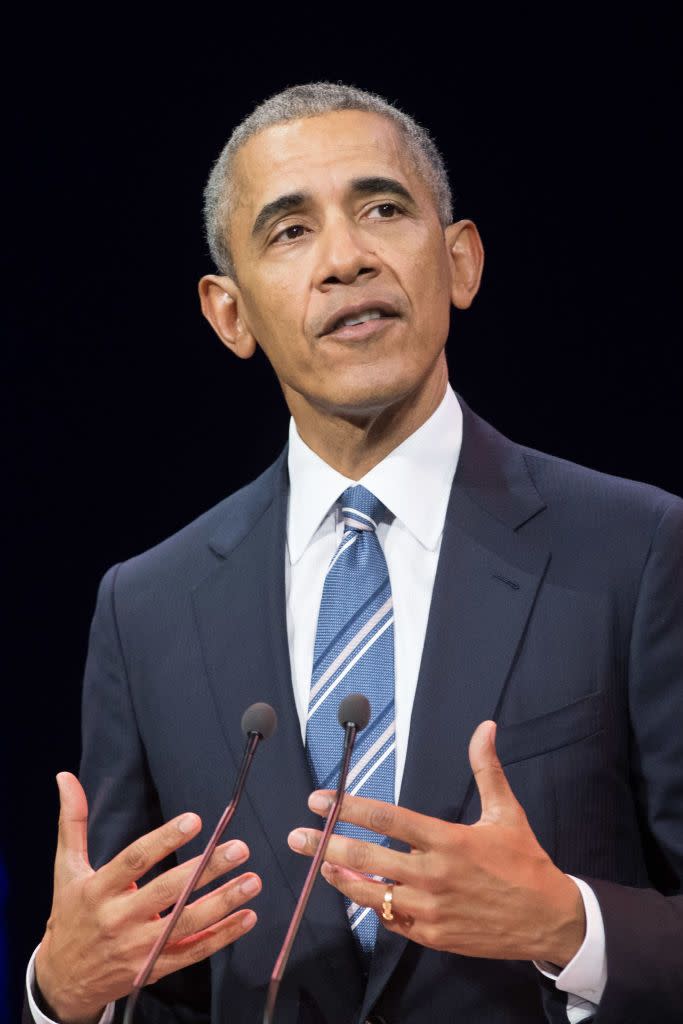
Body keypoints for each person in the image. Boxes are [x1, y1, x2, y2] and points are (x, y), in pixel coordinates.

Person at [24, 82, 683, 1024]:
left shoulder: (637, 550)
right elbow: (149, 974)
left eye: (382, 208)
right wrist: (63, 995)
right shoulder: (148, 607)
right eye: (289, 231)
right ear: (230, 315)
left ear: (459, 262)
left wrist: (570, 927)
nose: (344, 259)